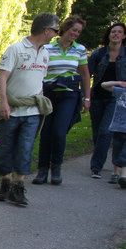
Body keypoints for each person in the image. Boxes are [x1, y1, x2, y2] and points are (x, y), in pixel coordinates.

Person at [0, 13, 59, 207]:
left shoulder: (45, 53)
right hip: (12, 108)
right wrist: (3, 102)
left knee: (25, 148)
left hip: (33, 111)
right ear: (46, 30)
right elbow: (2, 77)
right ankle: (5, 183)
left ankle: (18, 186)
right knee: (5, 147)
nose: (56, 34)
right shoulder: (16, 49)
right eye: (55, 30)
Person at [33, 15, 91, 185]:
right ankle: (42, 169)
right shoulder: (47, 48)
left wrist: (87, 97)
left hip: (69, 94)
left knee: (59, 132)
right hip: (49, 94)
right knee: (46, 132)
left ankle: (56, 168)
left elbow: (85, 75)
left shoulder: (79, 49)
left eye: (79, 32)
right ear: (66, 28)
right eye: (74, 30)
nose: (76, 34)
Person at [87, 21, 126, 180]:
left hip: (116, 98)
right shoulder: (99, 54)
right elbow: (87, 75)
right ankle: (105, 161)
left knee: (105, 131)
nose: (116, 34)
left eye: (119, 32)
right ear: (109, 35)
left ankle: (96, 167)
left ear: (124, 36)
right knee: (97, 133)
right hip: (98, 97)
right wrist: (85, 95)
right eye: (113, 31)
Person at [98, 80, 126, 187]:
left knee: (124, 153)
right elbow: (103, 85)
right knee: (116, 151)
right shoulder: (121, 92)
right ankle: (115, 173)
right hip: (118, 127)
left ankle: (124, 176)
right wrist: (118, 83)